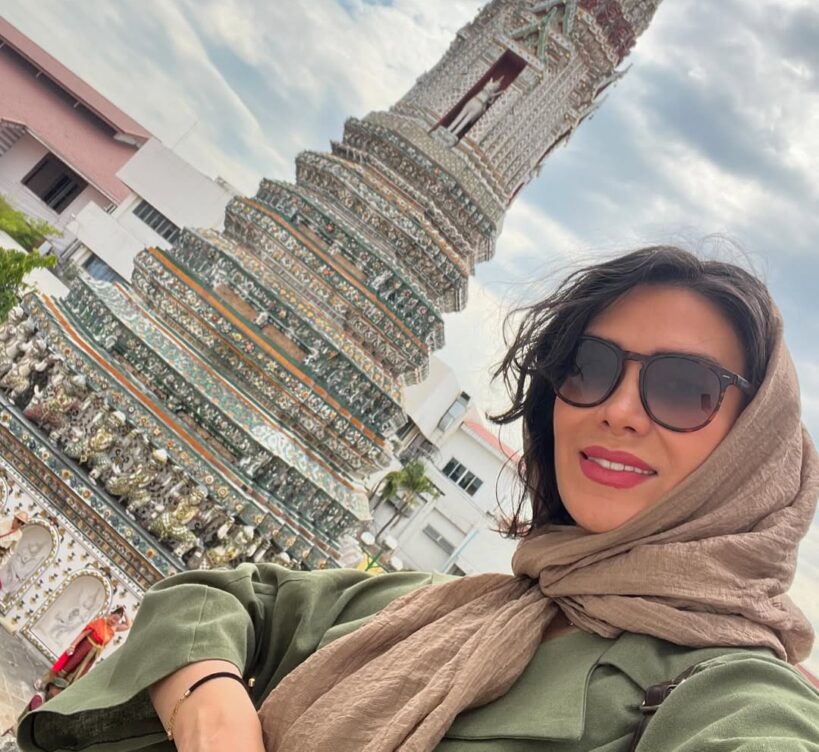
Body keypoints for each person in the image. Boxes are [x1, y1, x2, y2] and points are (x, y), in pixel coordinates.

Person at [15, 246, 819, 751]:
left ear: (751, 453)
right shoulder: (439, 608)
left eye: (682, 388)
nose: (616, 409)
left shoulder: (723, 694)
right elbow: (217, 598)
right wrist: (208, 703)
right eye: (590, 366)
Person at [38, 607, 132, 688]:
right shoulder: (99, 622)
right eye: (113, 618)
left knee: (80, 672)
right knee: (69, 665)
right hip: (84, 648)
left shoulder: (114, 628)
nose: (113, 621)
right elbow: (84, 633)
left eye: (116, 620)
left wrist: (124, 612)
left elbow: (128, 625)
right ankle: (45, 681)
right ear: (111, 614)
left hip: (92, 656)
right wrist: (73, 645)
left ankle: (59, 690)